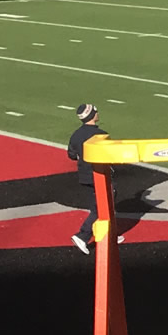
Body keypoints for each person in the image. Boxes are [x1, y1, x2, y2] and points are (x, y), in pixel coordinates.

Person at [66, 102, 112, 253]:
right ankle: (83, 235)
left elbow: (71, 155)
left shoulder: (76, 135)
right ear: (92, 115)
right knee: (104, 204)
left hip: (84, 175)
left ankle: (109, 232)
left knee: (98, 204)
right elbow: (109, 155)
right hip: (97, 174)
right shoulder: (100, 135)